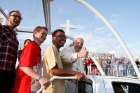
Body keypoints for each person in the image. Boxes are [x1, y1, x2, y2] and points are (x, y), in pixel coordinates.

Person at [43, 29, 85, 93]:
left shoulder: (58, 51)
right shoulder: (51, 49)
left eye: (64, 37)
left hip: (59, 89)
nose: (63, 39)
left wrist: (72, 76)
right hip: (52, 89)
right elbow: (54, 71)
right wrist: (75, 73)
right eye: (60, 36)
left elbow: (60, 72)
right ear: (53, 38)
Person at [13, 26, 50, 93]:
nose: (44, 36)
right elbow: (24, 67)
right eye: (43, 33)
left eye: (46, 35)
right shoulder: (31, 46)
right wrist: (40, 78)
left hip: (33, 88)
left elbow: (36, 68)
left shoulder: (37, 48)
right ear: (35, 33)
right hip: (25, 88)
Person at [0, 10, 22, 93]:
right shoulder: (2, 29)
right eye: (15, 16)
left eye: (19, 18)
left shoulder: (15, 36)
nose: (17, 19)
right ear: (8, 17)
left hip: (10, 73)